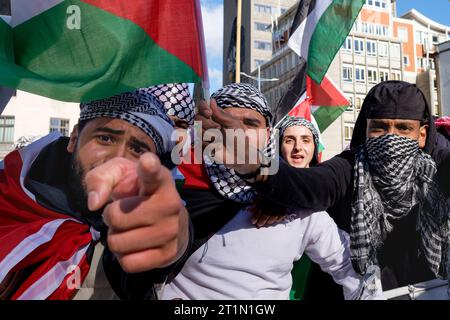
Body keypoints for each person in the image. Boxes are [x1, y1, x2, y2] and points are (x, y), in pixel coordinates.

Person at [196, 80, 450, 294]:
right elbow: (309, 184)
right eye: (380, 128)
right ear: (365, 130)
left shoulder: (441, 169)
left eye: (403, 129)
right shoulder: (349, 168)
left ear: (422, 135)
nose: (391, 139)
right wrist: (265, 175)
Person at [161, 85, 369, 300]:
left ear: (268, 134)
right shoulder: (174, 182)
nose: (239, 132)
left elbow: (353, 268)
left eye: (251, 123)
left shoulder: (296, 200)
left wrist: (278, 193)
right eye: (226, 121)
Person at [0, 88, 191, 300]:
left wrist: (175, 232)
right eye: (106, 139)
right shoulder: (11, 187)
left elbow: (169, 234)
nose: (117, 159)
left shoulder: (127, 232)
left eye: (138, 150)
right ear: (74, 139)